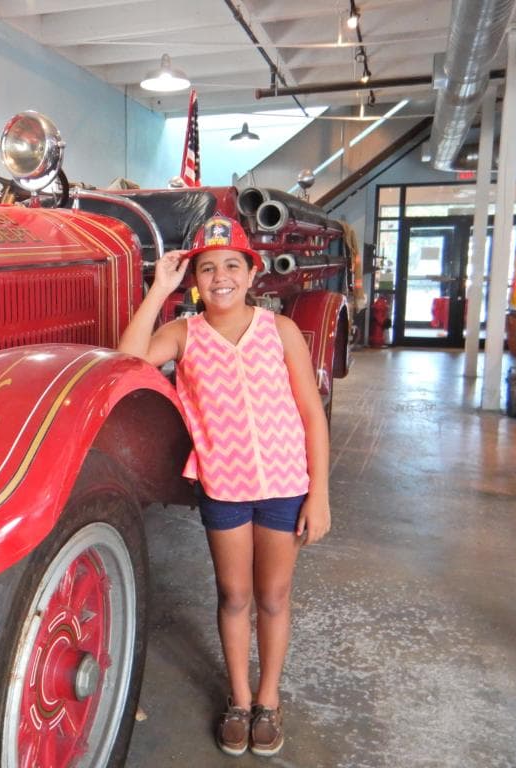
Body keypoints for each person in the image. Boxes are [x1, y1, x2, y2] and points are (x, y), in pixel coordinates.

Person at [117, 214, 331, 757]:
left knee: (273, 596)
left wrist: (320, 493)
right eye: (207, 268)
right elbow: (126, 360)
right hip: (224, 486)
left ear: (252, 274)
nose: (220, 277)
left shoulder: (279, 331)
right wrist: (158, 289)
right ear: (194, 280)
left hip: (285, 483)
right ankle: (238, 700)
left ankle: (269, 701)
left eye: (232, 265)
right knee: (235, 596)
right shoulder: (183, 334)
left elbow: (311, 414)